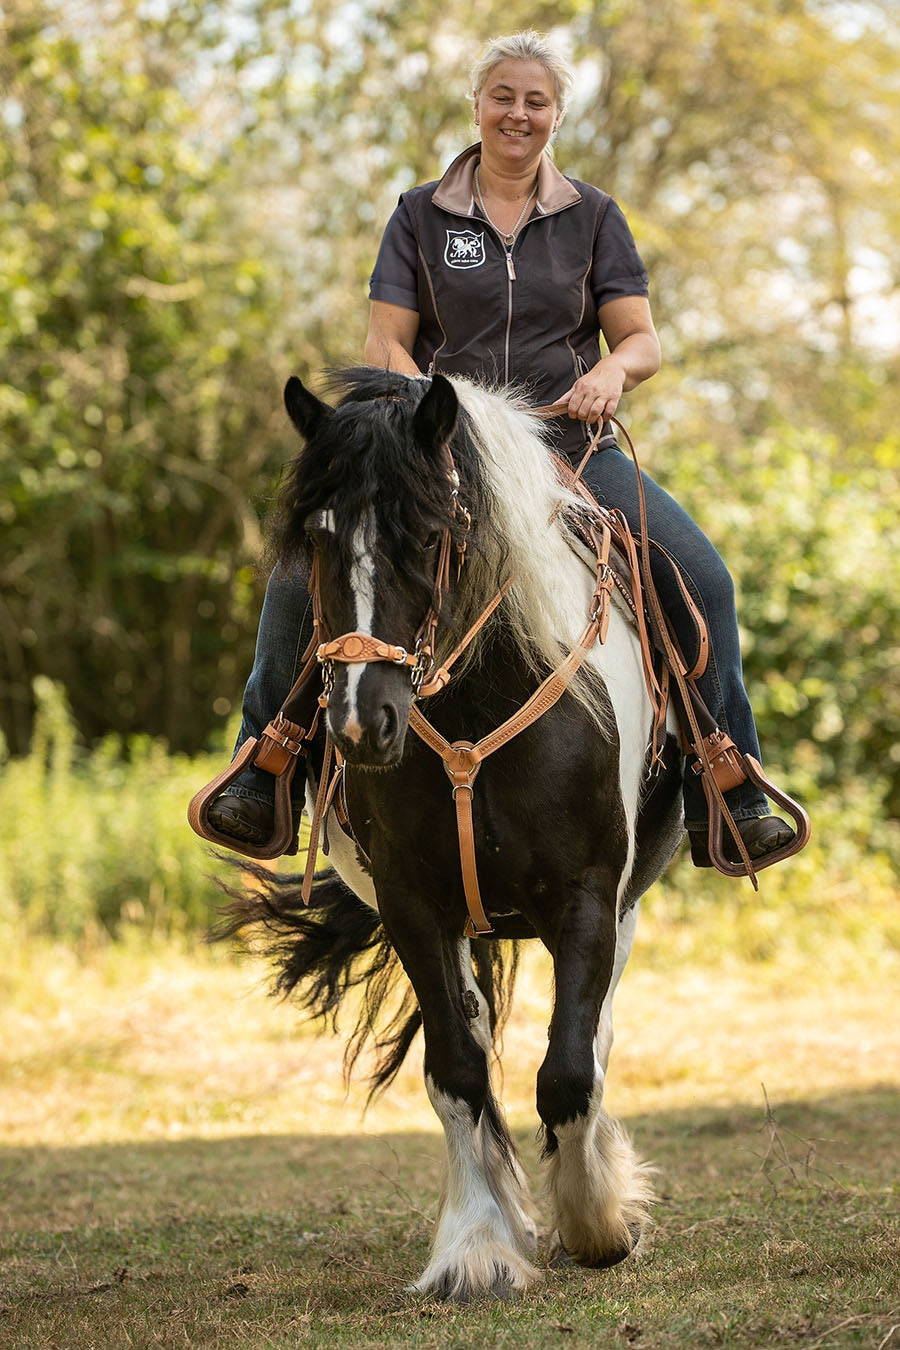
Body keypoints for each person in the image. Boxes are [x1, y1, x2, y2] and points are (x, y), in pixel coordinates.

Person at [210, 29, 793, 866]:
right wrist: (426, 421)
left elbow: (642, 340)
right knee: (303, 570)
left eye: (537, 100)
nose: (519, 114)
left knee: (702, 576)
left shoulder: (594, 216)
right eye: (504, 97)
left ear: (556, 114)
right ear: (477, 106)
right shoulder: (419, 213)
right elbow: (385, 343)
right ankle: (264, 764)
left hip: (573, 446)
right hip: (445, 445)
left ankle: (727, 781)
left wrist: (615, 374)